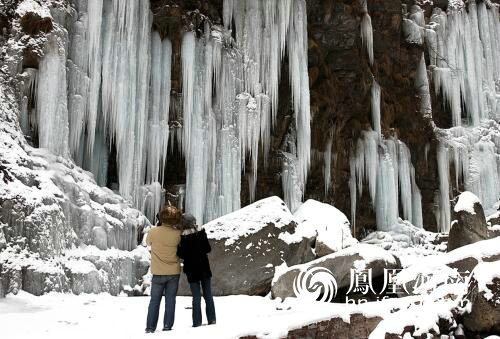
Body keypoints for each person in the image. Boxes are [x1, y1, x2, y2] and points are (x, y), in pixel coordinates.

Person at [145, 204, 182, 333]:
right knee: (170, 300)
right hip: (173, 272)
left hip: (158, 272)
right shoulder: (178, 234)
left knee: (154, 301)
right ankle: (167, 326)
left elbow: (148, 243)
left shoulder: (153, 232)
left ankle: (150, 327)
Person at [177, 213, 216, 327]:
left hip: (192, 270)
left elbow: (181, 255)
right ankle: (212, 319)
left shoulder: (183, 238)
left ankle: (197, 322)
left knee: (196, 296)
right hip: (204, 268)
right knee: (208, 294)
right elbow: (208, 249)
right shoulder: (201, 233)